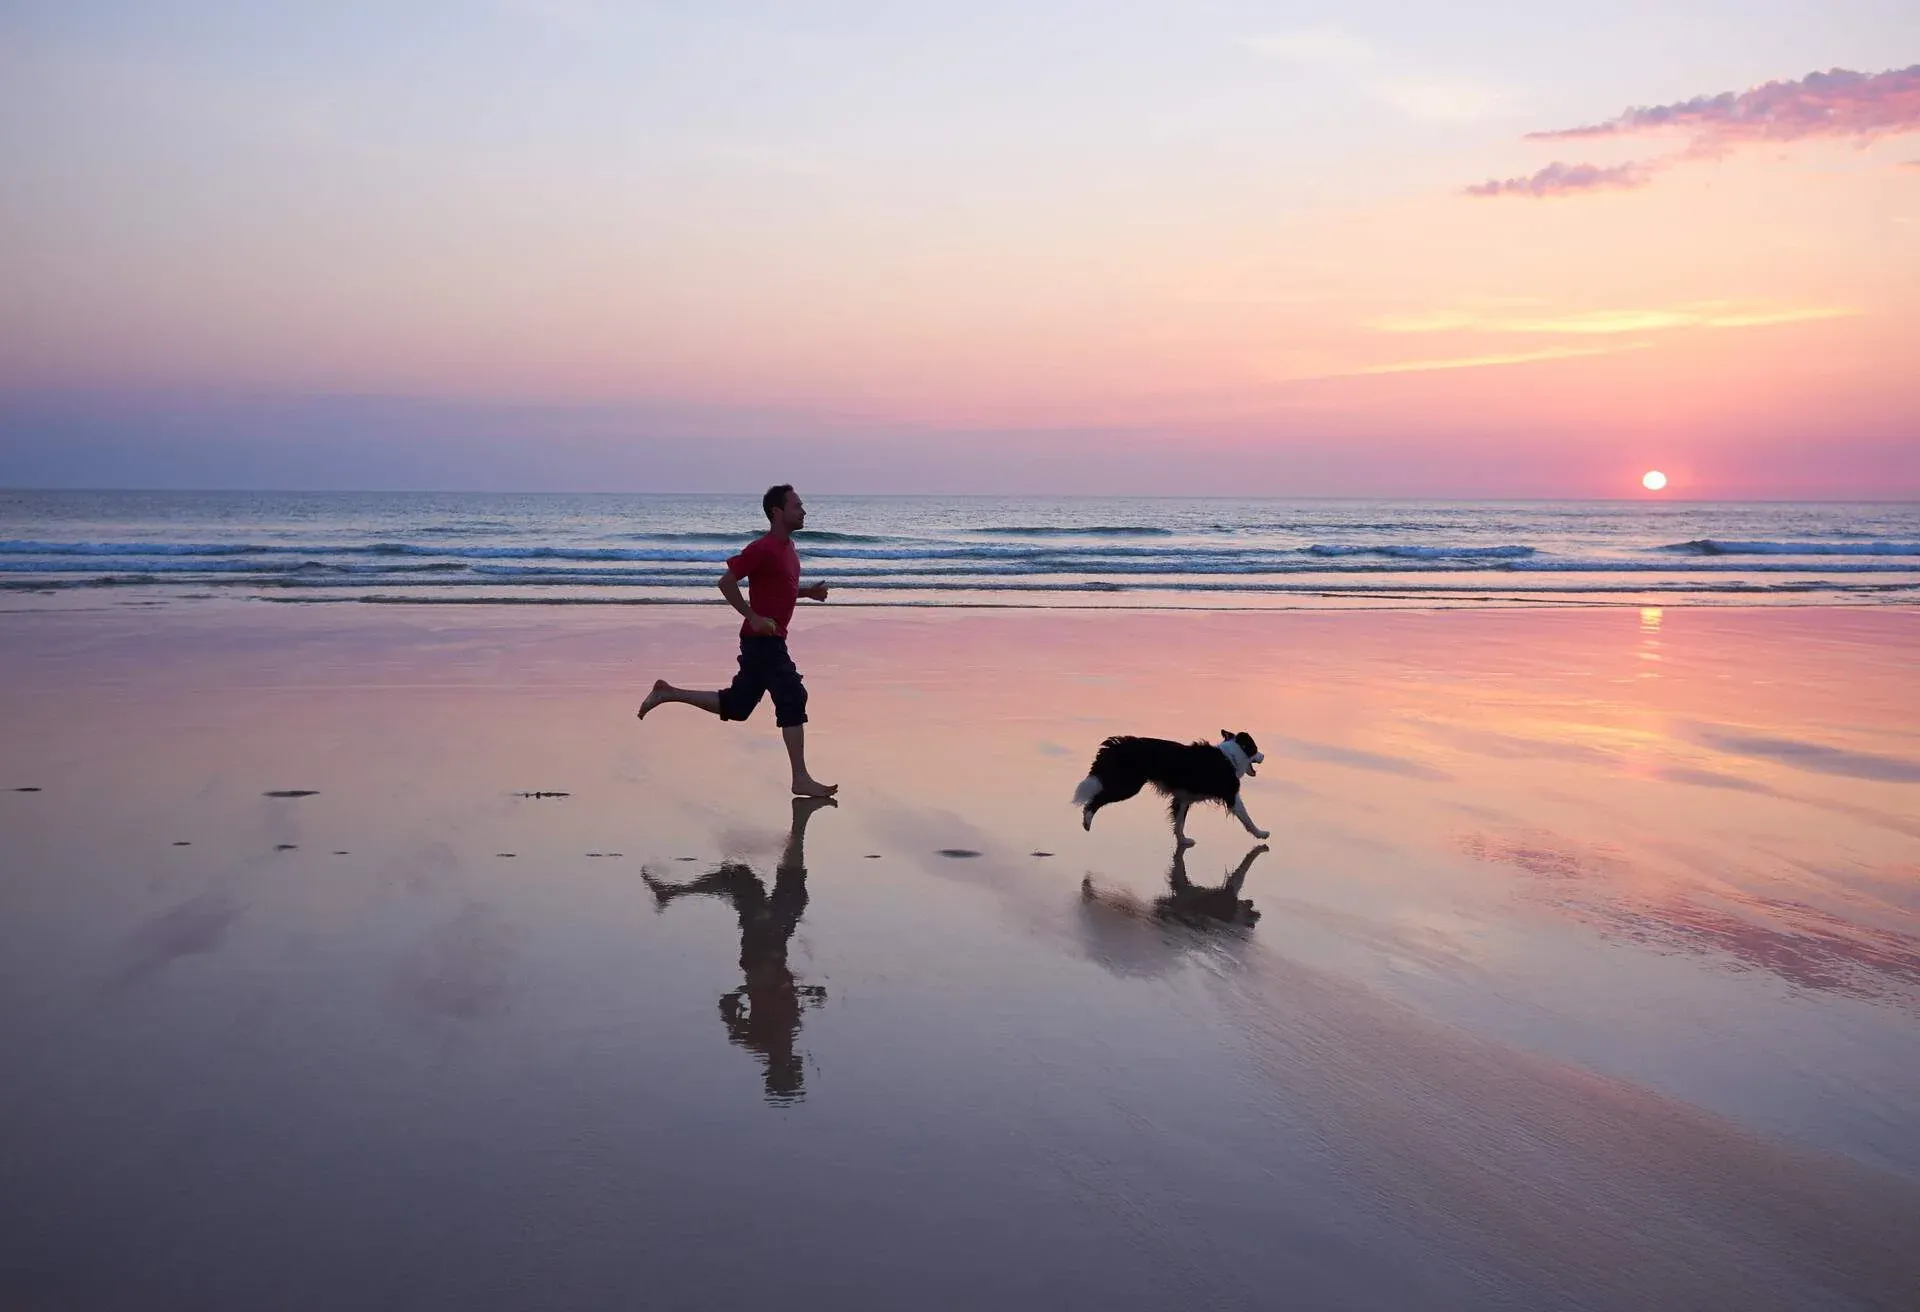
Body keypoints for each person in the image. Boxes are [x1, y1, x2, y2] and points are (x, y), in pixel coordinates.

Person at [637, 485, 836, 797]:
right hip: (762, 642)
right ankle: (800, 778)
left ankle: (667, 692)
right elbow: (726, 582)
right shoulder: (763, 548)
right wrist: (753, 616)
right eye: (797, 506)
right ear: (777, 512)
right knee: (793, 696)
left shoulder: (788, 550)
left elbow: (779, 588)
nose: (804, 511)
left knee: (739, 706)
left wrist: (807, 592)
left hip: (768, 641)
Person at [642, 796, 834, 1101]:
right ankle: (798, 829)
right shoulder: (776, 1040)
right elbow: (757, 1001)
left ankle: (799, 829)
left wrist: (753, 987)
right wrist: (802, 992)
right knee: (761, 886)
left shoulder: (762, 1041)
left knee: (764, 886)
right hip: (768, 946)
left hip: (764, 947)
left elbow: (729, 1004)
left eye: (793, 1071)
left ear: (783, 1068)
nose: (797, 1064)